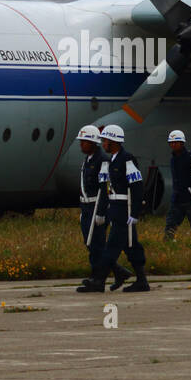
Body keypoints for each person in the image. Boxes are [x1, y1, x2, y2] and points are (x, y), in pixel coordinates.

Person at [79, 124, 149, 292]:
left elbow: (137, 187)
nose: (103, 144)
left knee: (111, 247)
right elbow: (106, 189)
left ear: (114, 142)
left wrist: (134, 213)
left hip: (125, 209)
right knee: (131, 246)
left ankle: (99, 281)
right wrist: (104, 210)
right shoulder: (111, 161)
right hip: (115, 208)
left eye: (105, 141)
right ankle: (141, 281)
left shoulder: (127, 159)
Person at [73, 124, 130, 290]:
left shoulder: (102, 161)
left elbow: (104, 188)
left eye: (84, 141)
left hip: (96, 207)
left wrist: (100, 212)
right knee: (91, 244)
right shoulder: (89, 160)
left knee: (97, 245)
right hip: (86, 207)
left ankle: (98, 280)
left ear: (93, 143)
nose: (81, 144)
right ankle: (117, 272)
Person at [163, 129, 191, 239]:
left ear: (182, 143)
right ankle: (168, 242)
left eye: (176, 142)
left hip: (190, 198)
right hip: (177, 199)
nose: (173, 145)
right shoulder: (172, 159)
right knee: (170, 224)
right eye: (171, 143)